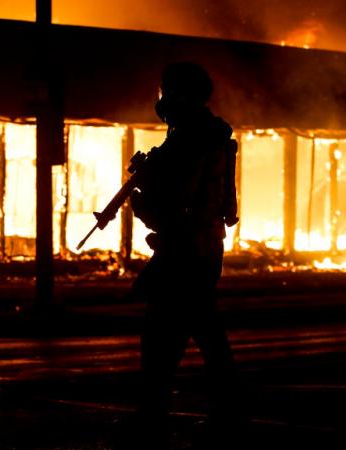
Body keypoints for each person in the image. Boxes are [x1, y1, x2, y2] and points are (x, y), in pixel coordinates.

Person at [126, 62, 241, 446]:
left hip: (185, 249)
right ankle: (223, 412)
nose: (162, 100)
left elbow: (178, 201)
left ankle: (156, 419)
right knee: (195, 331)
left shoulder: (191, 138)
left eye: (167, 91)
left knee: (163, 335)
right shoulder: (207, 134)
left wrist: (143, 198)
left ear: (180, 95)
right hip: (202, 249)